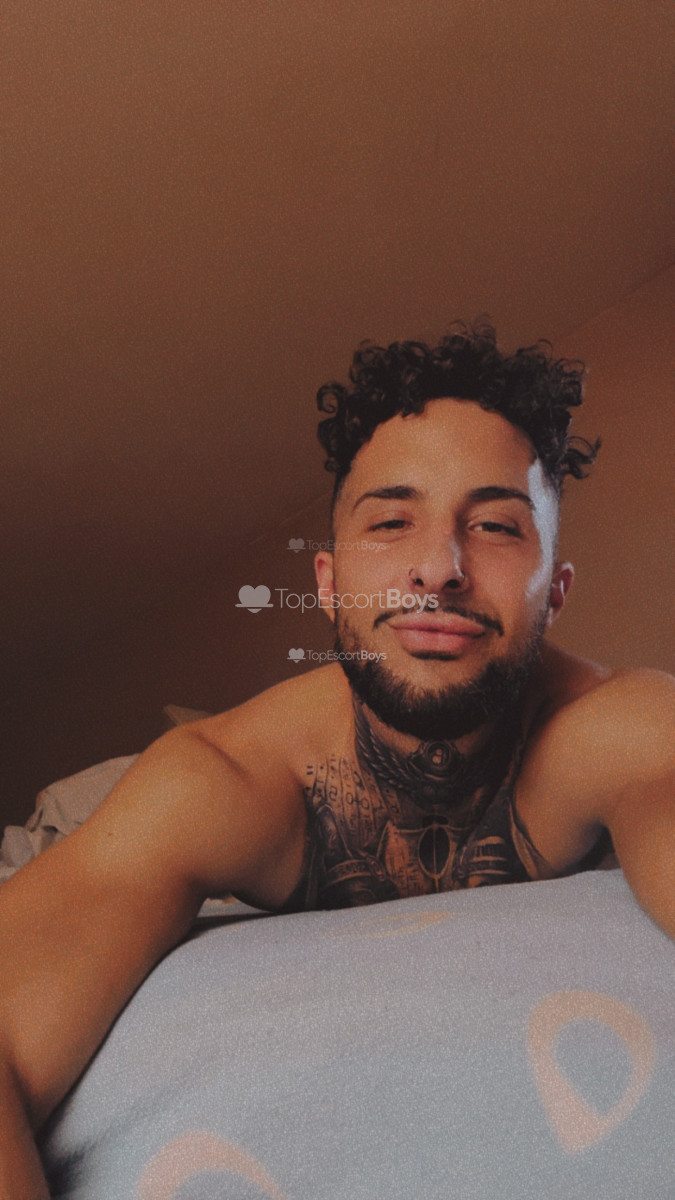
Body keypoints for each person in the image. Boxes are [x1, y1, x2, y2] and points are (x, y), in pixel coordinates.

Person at [0, 322, 673, 1197]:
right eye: (391, 522)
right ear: (327, 582)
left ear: (556, 592)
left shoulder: (621, 728)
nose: (438, 568)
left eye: (495, 526)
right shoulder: (219, 782)